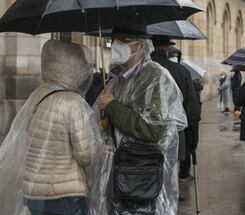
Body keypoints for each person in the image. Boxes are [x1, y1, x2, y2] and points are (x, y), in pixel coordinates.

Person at [0, 40, 105, 214]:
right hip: (64, 192)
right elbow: (85, 154)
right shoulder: (72, 102)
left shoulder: (39, 93)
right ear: (75, 66)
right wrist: (99, 144)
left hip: (34, 190)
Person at [98, 36, 187, 215]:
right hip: (120, 173)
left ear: (140, 46)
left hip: (141, 176)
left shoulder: (155, 77)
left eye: (123, 40)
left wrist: (112, 107)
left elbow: (154, 129)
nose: (116, 45)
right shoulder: (118, 78)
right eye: (115, 39)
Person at [150, 38, 201, 182]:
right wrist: (192, 136)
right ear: (167, 51)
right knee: (170, 172)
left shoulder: (140, 69)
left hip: (144, 133)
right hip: (174, 130)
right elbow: (192, 108)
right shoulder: (181, 71)